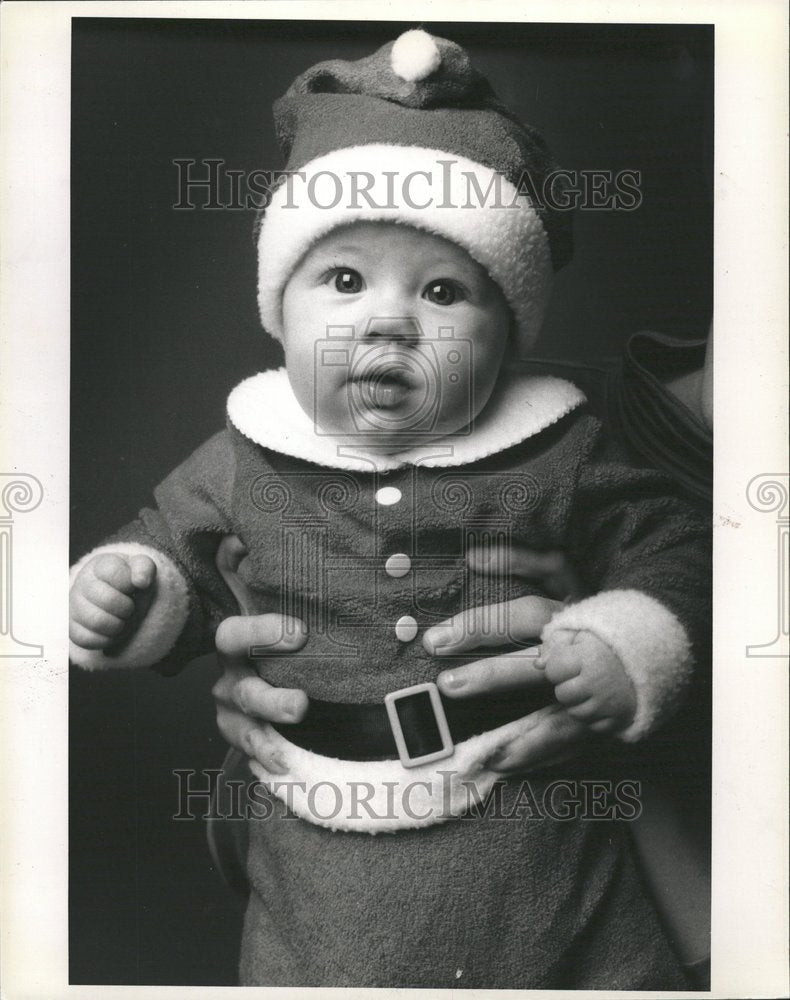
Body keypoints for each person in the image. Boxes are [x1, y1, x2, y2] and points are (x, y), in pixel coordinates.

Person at [68, 30, 710, 989]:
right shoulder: (244, 455)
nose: (387, 320)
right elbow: (174, 557)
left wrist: (628, 641)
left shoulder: (562, 447)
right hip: (314, 822)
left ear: (510, 336)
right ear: (280, 312)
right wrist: (133, 591)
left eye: (445, 291)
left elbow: (679, 546)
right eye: (342, 279)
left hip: (523, 808)